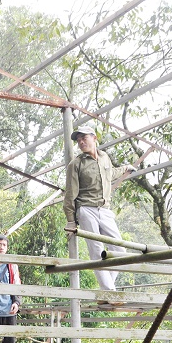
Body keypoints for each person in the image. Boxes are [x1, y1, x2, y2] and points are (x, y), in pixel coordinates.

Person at [63, 125, 135, 298]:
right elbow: (70, 193)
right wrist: (71, 219)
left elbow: (109, 175)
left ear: (94, 138)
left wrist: (125, 168)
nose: (81, 142)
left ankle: (106, 290)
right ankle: (110, 293)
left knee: (120, 249)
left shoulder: (104, 158)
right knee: (96, 250)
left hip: (105, 209)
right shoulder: (76, 164)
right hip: (86, 209)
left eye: (84, 138)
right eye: (78, 140)